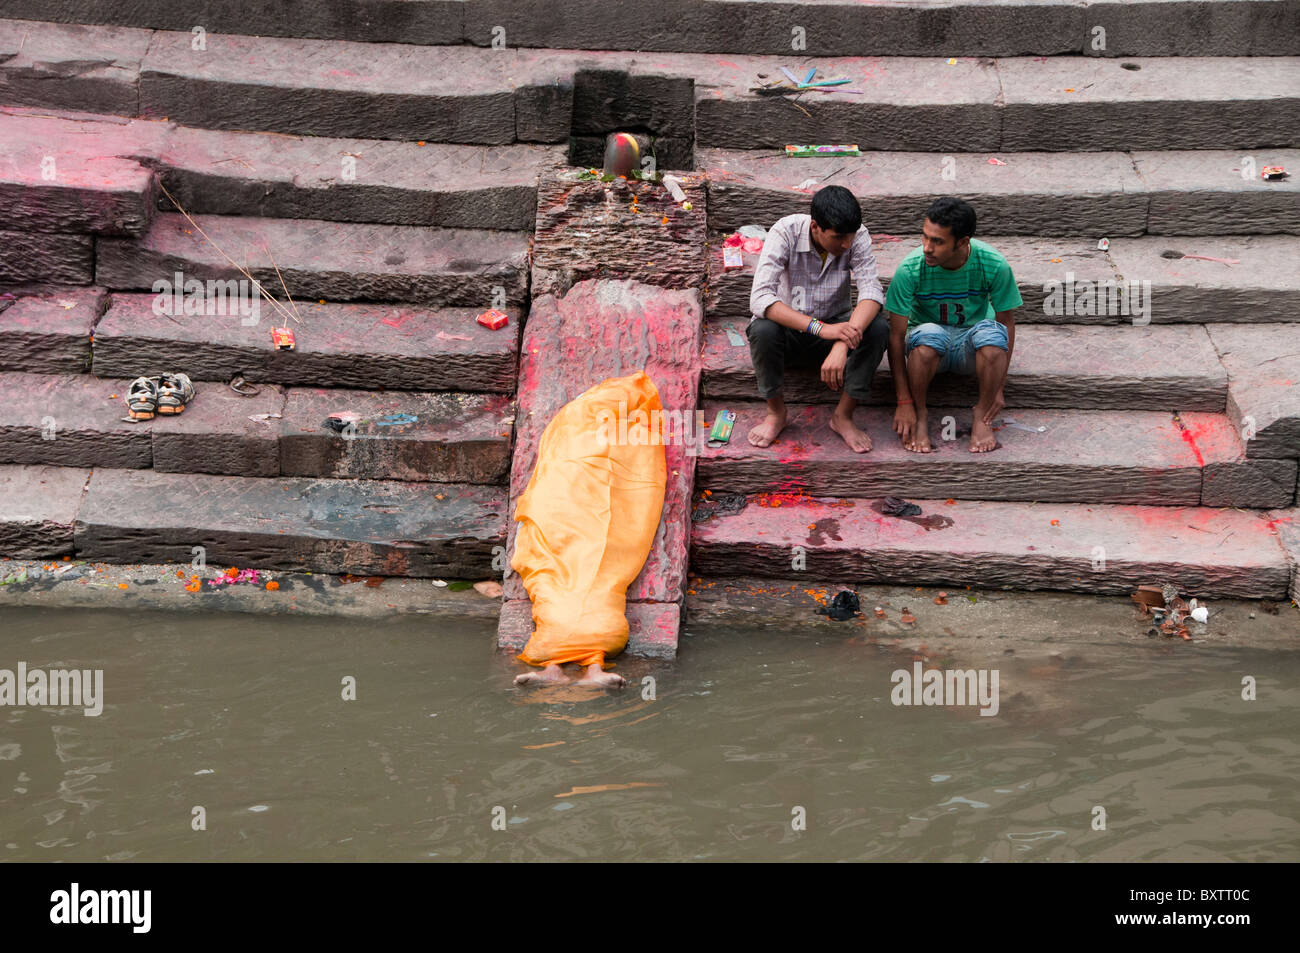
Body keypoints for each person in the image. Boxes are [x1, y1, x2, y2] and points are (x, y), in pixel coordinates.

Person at [745, 186, 889, 453]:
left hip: (836, 329)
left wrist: (842, 341)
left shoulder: (856, 236)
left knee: (879, 327)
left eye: (850, 237)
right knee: (762, 329)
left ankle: (843, 416)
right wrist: (822, 330)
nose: (846, 244)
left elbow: (871, 292)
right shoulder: (784, 232)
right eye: (838, 238)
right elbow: (761, 299)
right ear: (815, 227)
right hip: (791, 332)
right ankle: (776, 412)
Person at [885, 197, 1021, 454]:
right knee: (929, 334)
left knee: (992, 336)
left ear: (962, 242)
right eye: (925, 237)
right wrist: (904, 401)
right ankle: (921, 413)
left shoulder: (993, 264)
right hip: (927, 350)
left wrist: (998, 389)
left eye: (937, 241)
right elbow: (895, 337)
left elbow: (1006, 323)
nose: (926, 247)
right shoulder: (910, 269)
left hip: (971, 343)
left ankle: (981, 415)